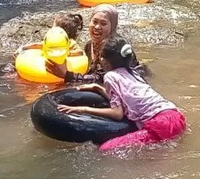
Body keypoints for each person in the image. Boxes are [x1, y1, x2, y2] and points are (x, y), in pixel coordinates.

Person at [53, 37, 186, 152]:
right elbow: (127, 99)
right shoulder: (132, 72)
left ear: (104, 61)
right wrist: (99, 89)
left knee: (106, 149)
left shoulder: (110, 76)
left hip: (160, 125)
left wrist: (83, 109)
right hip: (175, 117)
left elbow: (117, 114)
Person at [45, 5, 143, 81]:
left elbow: (102, 78)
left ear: (112, 26)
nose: (97, 27)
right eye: (94, 22)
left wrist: (67, 75)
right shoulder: (89, 46)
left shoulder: (115, 47)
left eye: (103, 23)